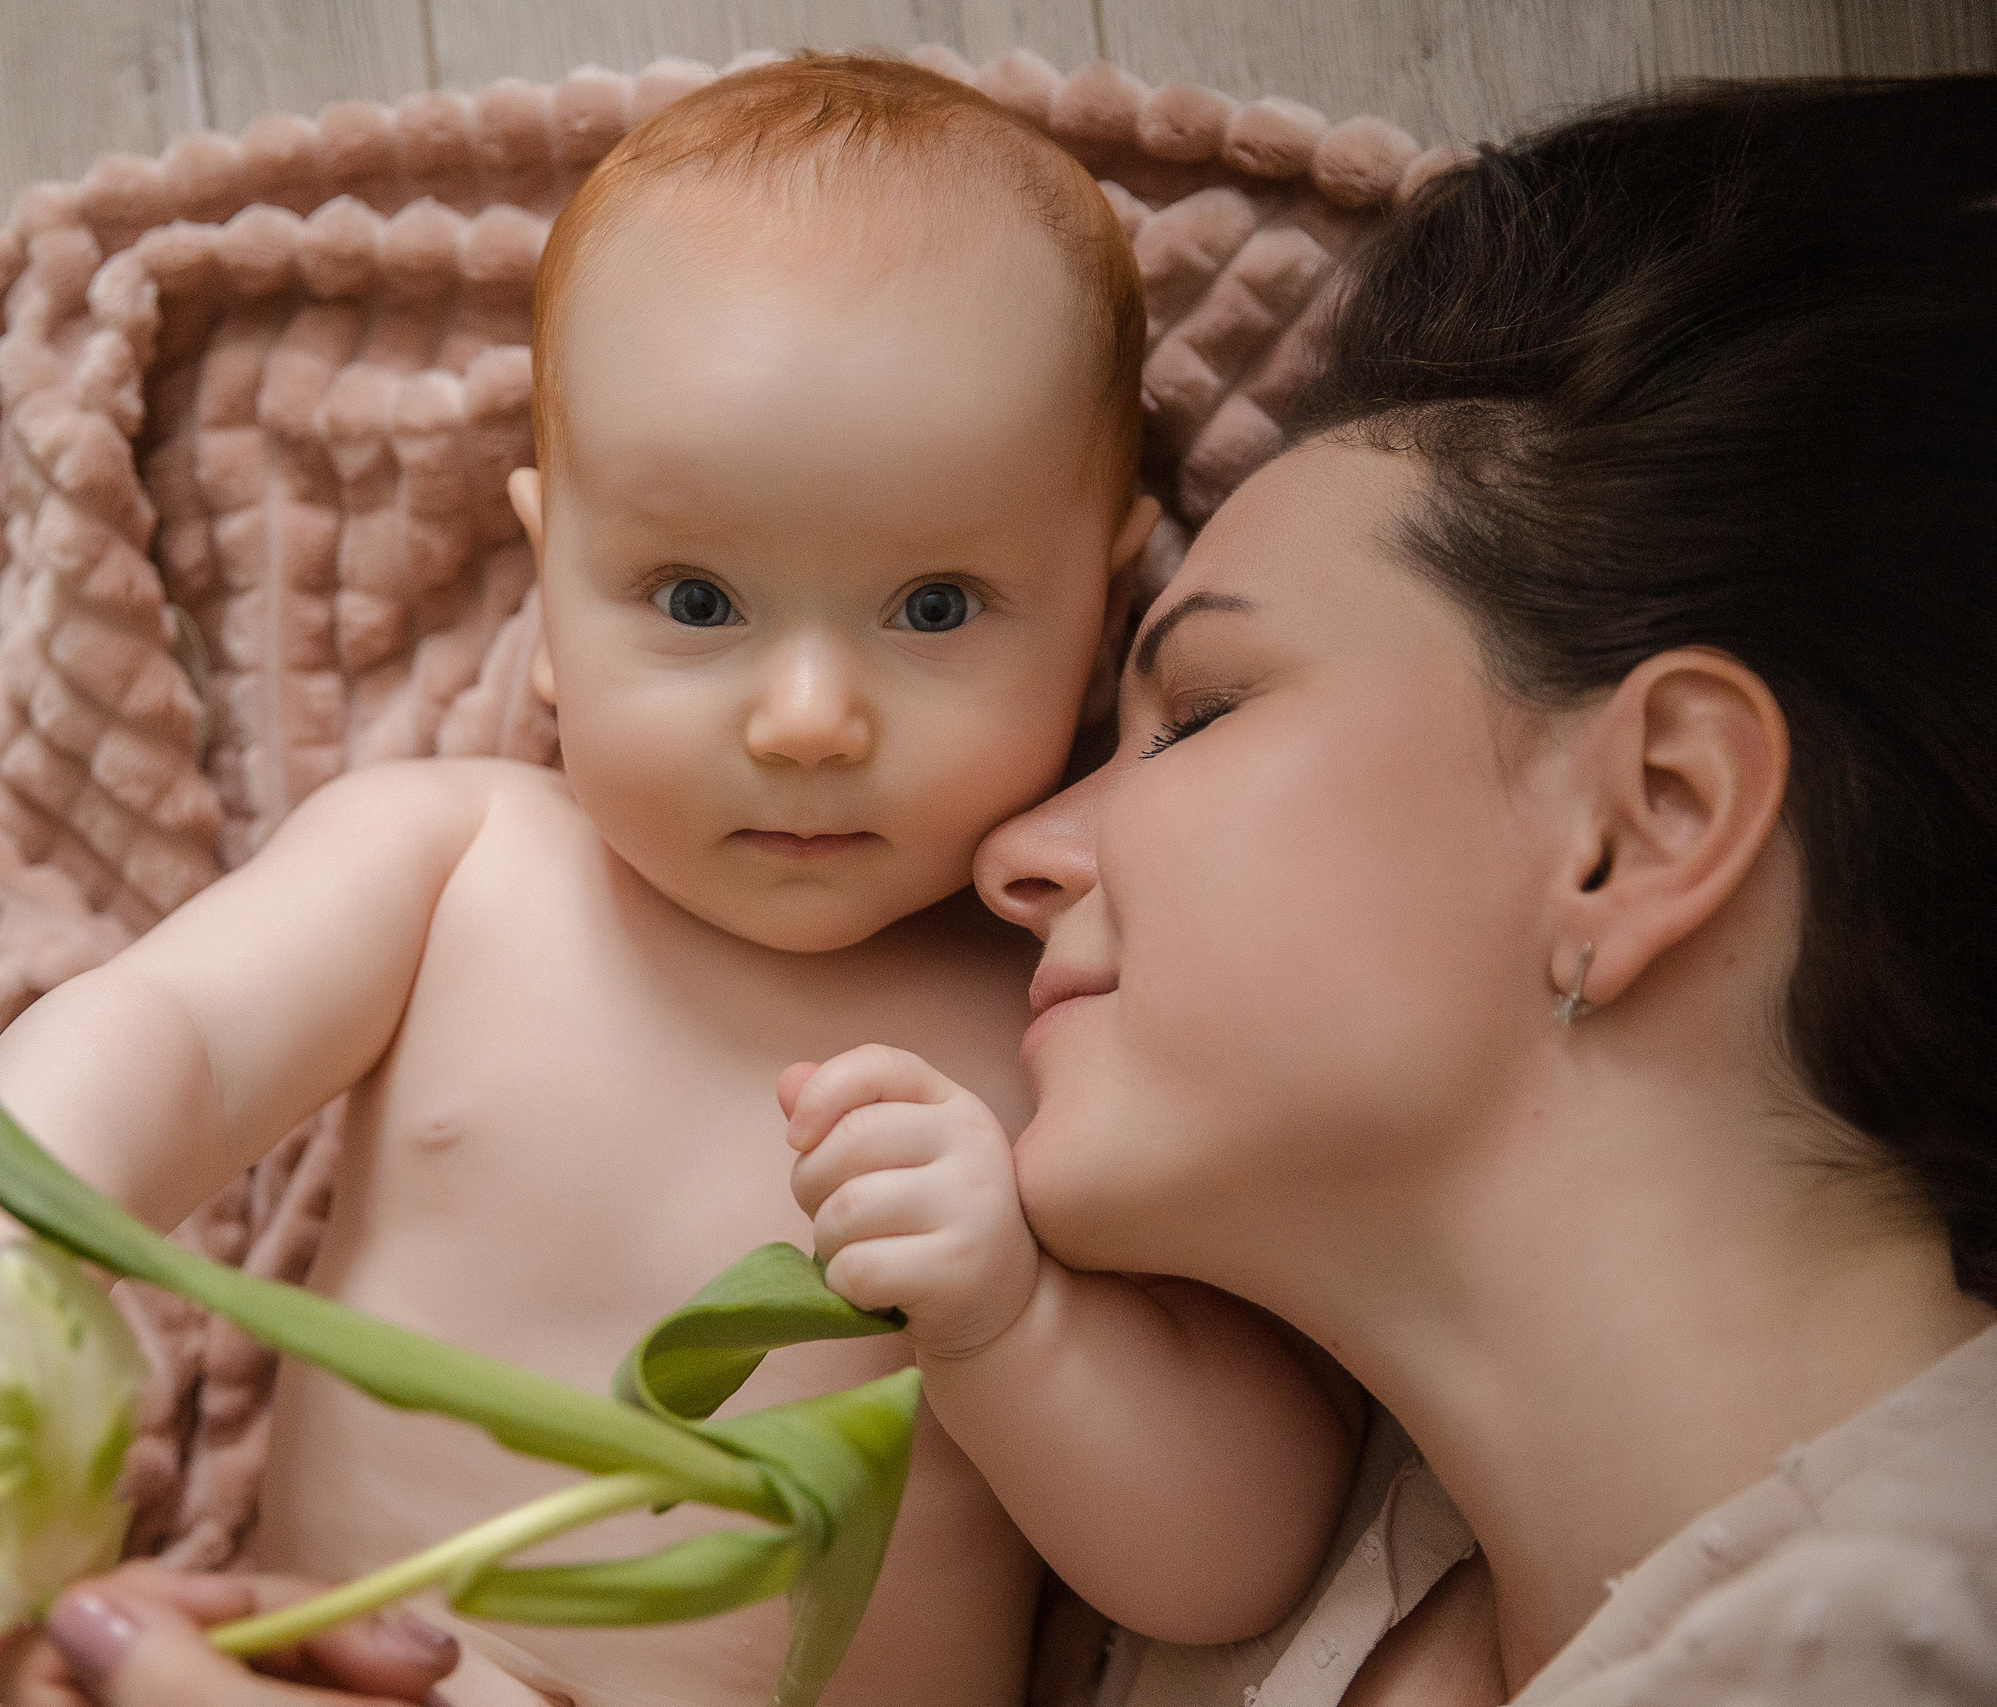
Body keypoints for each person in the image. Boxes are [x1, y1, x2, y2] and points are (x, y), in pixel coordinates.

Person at [0, 55, 1357, 1707]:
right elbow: (158, 1042)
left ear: (1106, 598)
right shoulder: (455, 863)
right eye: (697, 602)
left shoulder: (1065, 1009)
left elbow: (1234, 1559)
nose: (809, 721)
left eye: (936, 608)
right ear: (547, 589)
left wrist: (1013, 1324)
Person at [802, 72, 1997, 1706]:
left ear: (1643, 821)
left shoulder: (1907, 1642)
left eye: (1200, 712)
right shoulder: (1218, 1583)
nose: (1011, 852)